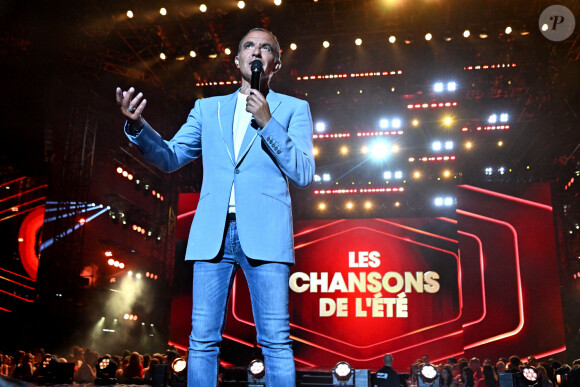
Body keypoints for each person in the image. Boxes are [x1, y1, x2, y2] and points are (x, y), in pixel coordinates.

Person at [115, 28, 315, 387]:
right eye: (249, 46)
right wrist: (137, 126)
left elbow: (303, 172)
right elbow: (172, 155)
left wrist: (268, 121)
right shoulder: (208, 109)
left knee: (275, 341)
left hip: (266, 234)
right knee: (202, 340)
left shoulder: (293, 109)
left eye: (266, 47)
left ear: (276, 64)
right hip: (213, 232)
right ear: (237, 60)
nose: (256, 52)